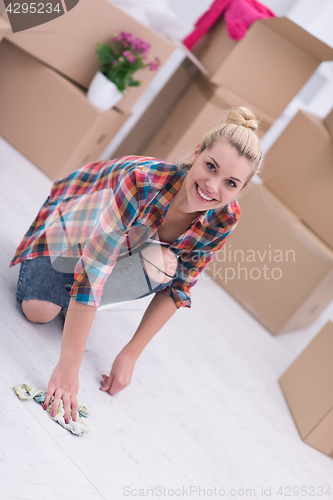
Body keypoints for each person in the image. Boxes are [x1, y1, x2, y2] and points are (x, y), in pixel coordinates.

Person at [10, 106, 263, 425]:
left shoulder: (226, 217)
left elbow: (179, 287)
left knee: (166, 265)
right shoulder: (142, 181)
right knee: (39, 312)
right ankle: (72, 302)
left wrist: (130, 354)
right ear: (197, 153)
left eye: (230, 182)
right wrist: (69, 366)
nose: (213, 186)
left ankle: (76, 306)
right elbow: (94, 268)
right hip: (70, 232)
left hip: (119, 247)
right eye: (210, 166)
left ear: (241, 190)